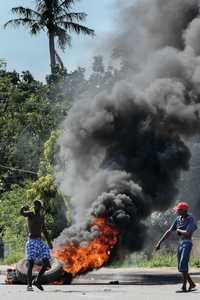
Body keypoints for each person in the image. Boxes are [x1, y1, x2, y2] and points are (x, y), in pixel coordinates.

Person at [155, 201, 197, 292]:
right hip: (181, 243)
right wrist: (159, 243)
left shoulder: (190, 219)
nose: (177, 211)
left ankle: (184, 286)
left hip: (187, 243)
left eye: (179, 210)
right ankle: (192, 284)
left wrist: (179, 230)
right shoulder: (178, 219)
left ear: (184, 210)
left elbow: (188, 233)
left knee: (183, 264)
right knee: (180, 266)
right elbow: (169, 231)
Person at [20, 200, 53, 291]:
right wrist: (23, 208)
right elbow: (22, 213)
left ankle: (37, 280)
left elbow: (44, 230)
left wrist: (49, 242)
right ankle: (29, 285)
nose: (35, 206)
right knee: (31, 263)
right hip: (31, 242)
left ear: (40, 207)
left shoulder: (41, 218)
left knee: (46, 263)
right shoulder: (30, 214)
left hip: (40, 242)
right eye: (34, 205)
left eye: (37, 205)